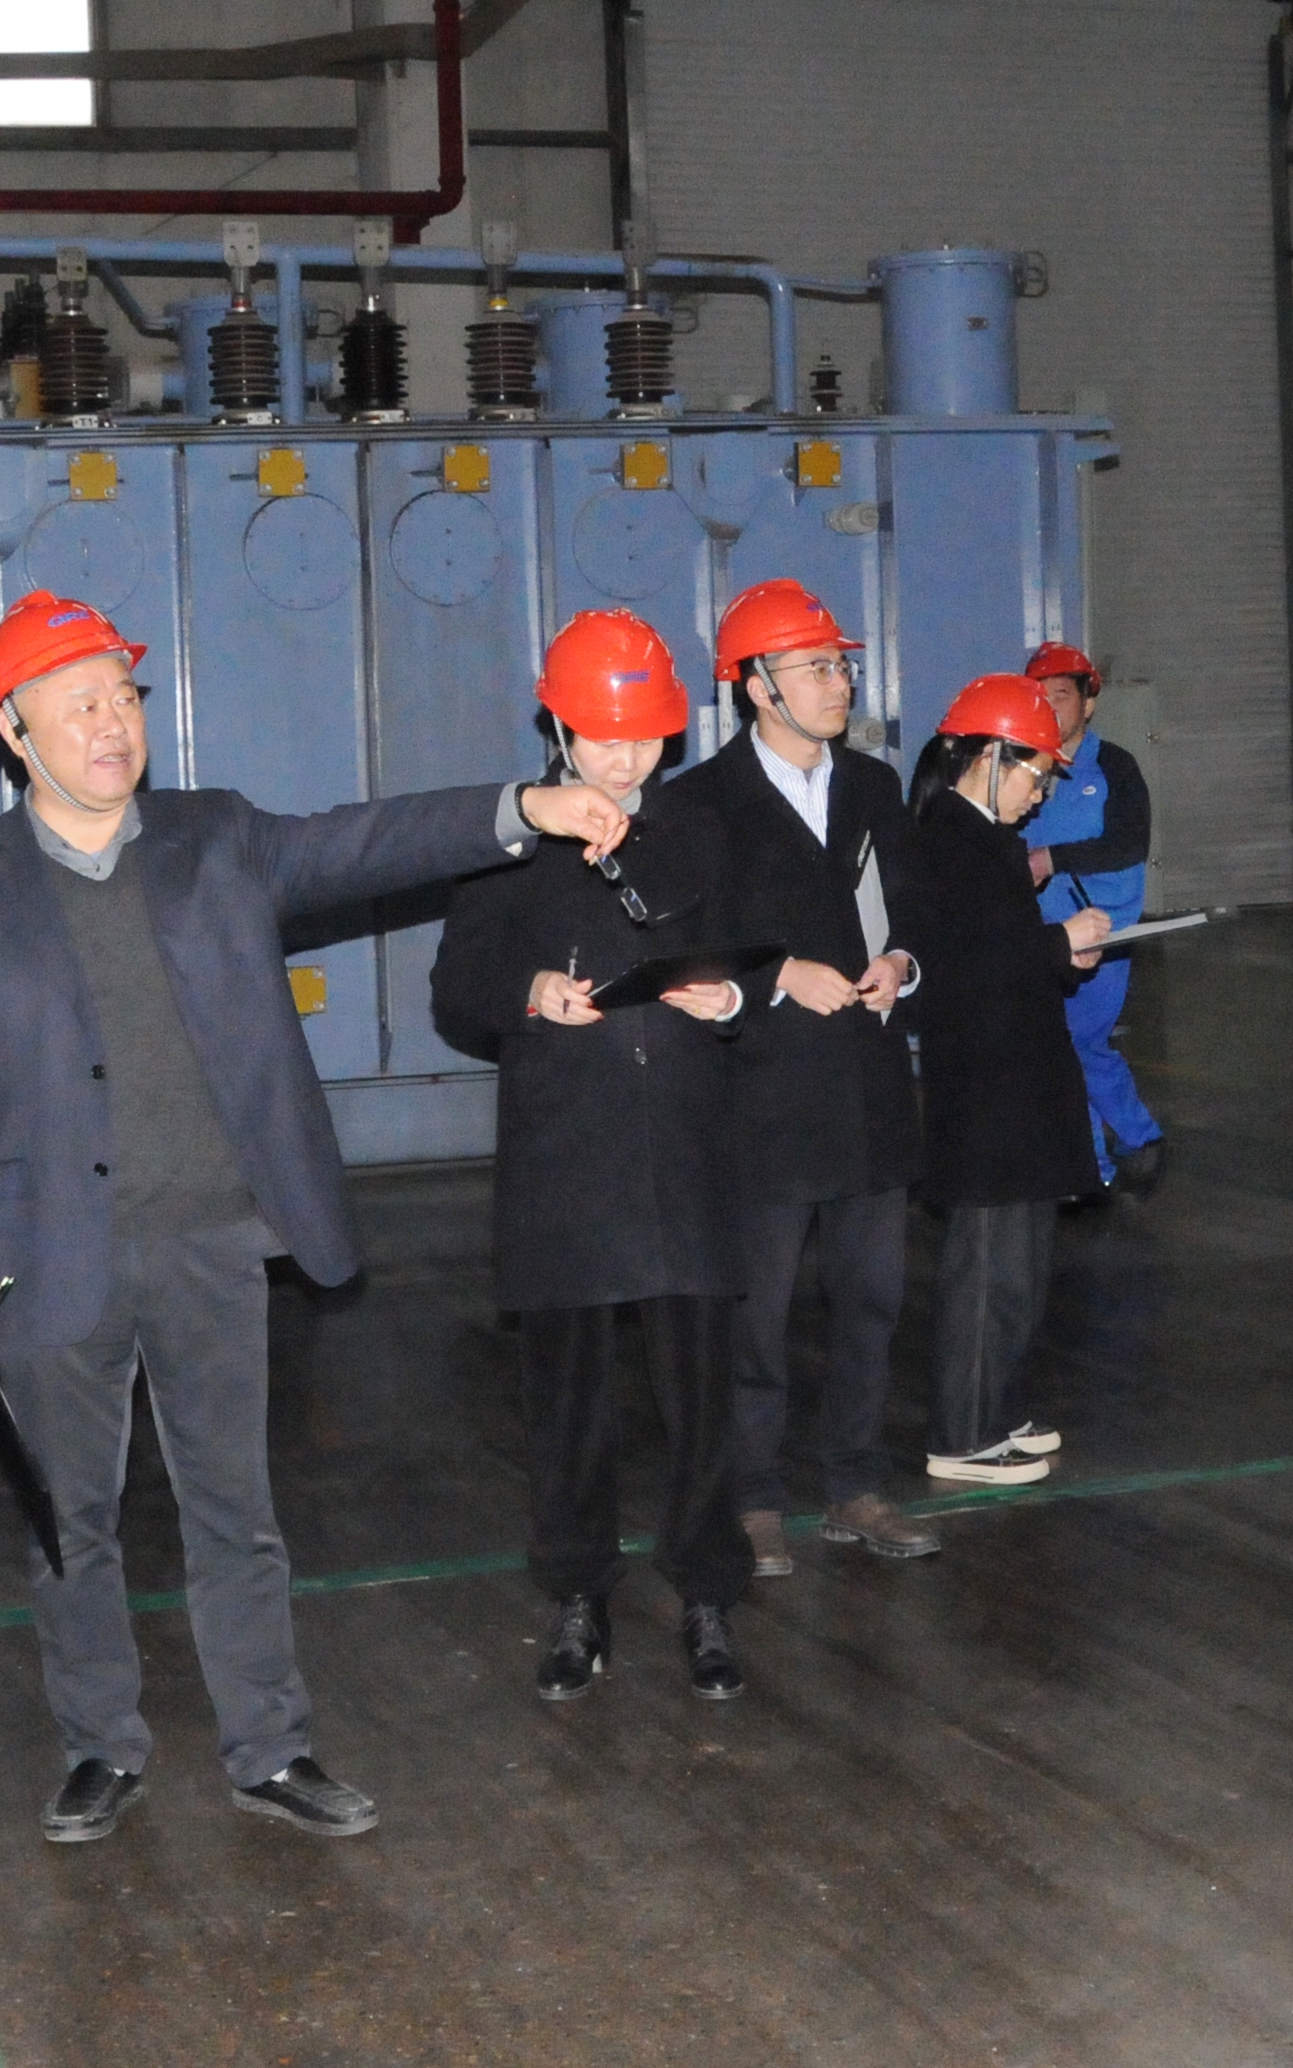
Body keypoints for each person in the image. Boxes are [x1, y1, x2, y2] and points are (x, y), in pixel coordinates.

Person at [0, 592, 633, 1845]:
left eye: (122, 698)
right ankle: (98, 1746)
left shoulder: (217, 838)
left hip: (209, 1238)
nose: (112, 725)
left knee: (234, 1512)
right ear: (10, 733)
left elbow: (367, 841)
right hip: (49, 1257)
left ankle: (269, 1747)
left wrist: (523, 806)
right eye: (78, 706)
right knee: (67, 1519)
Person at [430, 611, 755, 1706]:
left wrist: (729, 997)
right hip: (566, 1157)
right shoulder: (508, 844)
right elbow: (455, 991)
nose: (624, 761)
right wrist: (527, 993)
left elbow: (755, 957)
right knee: (567, 1399)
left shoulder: (700, 832)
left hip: (685, 1154)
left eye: (644, 740)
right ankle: (577, 1594)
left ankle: (707, 1592)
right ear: (558, 728)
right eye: (604, 739)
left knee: (700, 1394)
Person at [671, 578, 937, 1576]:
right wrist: (777, 974)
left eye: (839, 665)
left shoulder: (872, 787)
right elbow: (681, 946)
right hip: (761, 1100)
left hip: (868, 1090)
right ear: (756, 687)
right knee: (758, 1317)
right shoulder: (698, 804)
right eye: (815, 667)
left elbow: (909, 905)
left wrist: (900, 962)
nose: (838, 683)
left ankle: (854, 1485)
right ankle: (750, 1498)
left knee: (871, 1301)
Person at [898, 675, 1115, 1486]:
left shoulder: (985, 839)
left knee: (1020, 1265)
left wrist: (1059, 953)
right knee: (986, 1268)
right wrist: (1058, 943)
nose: (1039, 793)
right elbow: (963, 967)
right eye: (1034, 773)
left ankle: (998, 1407)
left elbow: (1004, 958)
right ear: (989, 757)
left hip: (1018, 1080)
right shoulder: (948, 841)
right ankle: (962, 1432)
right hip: (984, 1089)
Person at [1020, 641, 1163, 1199]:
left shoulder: (1114, 767)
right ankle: (1122, 1146)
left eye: (1061, 694)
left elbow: (1128, 843)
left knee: (1077, 1042)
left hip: (1103, 934)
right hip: (1040, 935)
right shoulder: (1024, 765)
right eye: (1039, 695)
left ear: (1088, 702)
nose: (1050, 706)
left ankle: (1105, 1154)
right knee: (1063, 1045)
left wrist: (1052, 859)